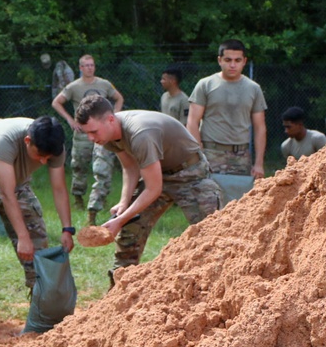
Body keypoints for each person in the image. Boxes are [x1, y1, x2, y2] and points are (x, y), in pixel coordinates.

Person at [76, 95, 223, 276]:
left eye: (93, 132)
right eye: (87, 133)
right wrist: (124, 203)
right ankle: (120, 285)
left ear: (110, 119)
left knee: (213, 231)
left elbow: (154, 189)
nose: (91, 138)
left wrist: (118, 221)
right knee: (130, 229)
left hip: (190, 173)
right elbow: (130, 168)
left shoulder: (140, 134)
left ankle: (217, 280)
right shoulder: (107, 135)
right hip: (156, 171)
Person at [0, 116, 74, 334]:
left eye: (48, 157)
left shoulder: (54, 145)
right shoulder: (7, 139)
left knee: (39, 240)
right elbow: (6, 193)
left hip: (20, 185)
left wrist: (67, 228)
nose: (43, 162)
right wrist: (21, 237)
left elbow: (59, 188)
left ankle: (40, 305)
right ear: (27, 141)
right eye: (39, 156)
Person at [50, 54, 125, 223]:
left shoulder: (104, 84)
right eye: (86, 65)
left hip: (103, 134)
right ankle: (78, 198)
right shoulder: (74, 86)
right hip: (83, 135)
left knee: (102, 168)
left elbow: (119, 98)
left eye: (92, 65)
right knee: (79, 167)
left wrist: (115, 115)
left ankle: (97, 204)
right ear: (81, 68)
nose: (90, 68)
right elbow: (57, 102)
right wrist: (70, 120)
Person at [187, 39, 268, 179]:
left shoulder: (254, 89)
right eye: (228, 60)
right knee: (209, 199)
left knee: (239, 199)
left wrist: (259, 163)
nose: (232, 65)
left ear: (244, 61)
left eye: (237, 60)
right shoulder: (205, 85)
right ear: (220, 60)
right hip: (210, 153)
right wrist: (198, 154)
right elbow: (192, 122)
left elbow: (260, 127)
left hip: (241, 156)